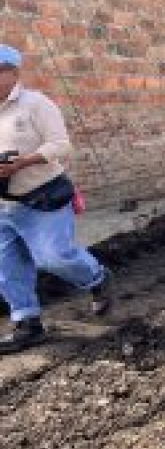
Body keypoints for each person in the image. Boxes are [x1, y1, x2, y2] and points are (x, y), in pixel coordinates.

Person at [0, 44, 112, 353]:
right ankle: (27, 323)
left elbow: (61, 146)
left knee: (54, 257)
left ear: (13, 73)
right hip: (4, 206)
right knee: (7, 268)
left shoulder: (35, 105)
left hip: (42, 198)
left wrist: (23, 162)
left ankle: (97, 278)